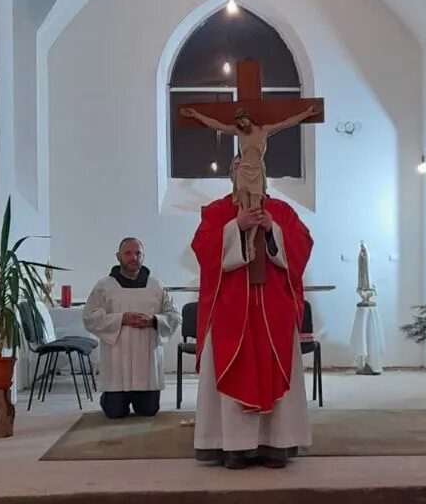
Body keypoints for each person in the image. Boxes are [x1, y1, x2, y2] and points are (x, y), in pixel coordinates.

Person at [192, 192, 311, 469]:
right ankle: (234, 446)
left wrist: (273, 229)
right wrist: (236, 226)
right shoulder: (217, 211)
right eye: (244, 171)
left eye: (257, 171)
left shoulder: (281, 210)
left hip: (274, 311)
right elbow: (203, 250)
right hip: (230, 311)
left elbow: (302, 246)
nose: (251, 176)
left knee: (277, 371)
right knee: (232, 371)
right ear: (233, 175)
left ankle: (277, 443)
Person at [179, 102, 319, 260]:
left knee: (255, 210)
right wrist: (196, 115)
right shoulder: (239, 132)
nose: (241, 124)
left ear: (248, 117)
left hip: (257, 172)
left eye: (242, 120)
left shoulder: (264, 130)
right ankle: (245, 244)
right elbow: (217, 125)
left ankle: (250, 244)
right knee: (244, 209)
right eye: (238, 121)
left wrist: (307, 113)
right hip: (243, 172)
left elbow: (287, 123)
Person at [82, 238, 180, 419]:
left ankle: (143, 397)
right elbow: (89, 316)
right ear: (118, 256)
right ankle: (110, 398)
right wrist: (121, 319)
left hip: (146, 362)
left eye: (138, 253)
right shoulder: (104, 286)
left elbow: (174, 315)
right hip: (117, 361)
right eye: (128, 253)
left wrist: (153, 321)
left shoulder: (156, 286)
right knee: (115, 412)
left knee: (148, 411)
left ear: (143, 256)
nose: (133, 257)